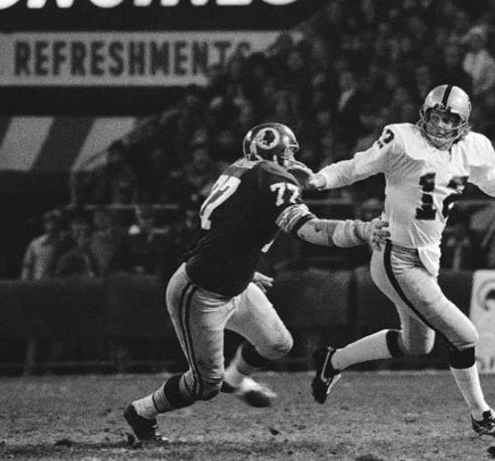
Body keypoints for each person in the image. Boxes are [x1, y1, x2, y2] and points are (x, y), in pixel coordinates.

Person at [303, 84, 495, 440]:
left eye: (450, 119)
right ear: (424, 115)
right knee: (464, 335)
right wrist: (318, 180)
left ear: (463, 124)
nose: (442, 126)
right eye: (436, 117)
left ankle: (331, 361)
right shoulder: (401, 139)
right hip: (395, 257)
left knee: (418, 345)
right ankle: (482, 415)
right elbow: (356, 167)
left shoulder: (474, 149)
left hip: (425, 261)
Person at [122, 123, 388, 444]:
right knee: (204, 385)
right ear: (272, 150)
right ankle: (142, 412)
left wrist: (245, 269)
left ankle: (236, 380)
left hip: (233, 280)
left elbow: (231, 226)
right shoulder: (273, 179)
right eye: (288, 152)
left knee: (277, 344)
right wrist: (361, 229)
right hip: (201, 291)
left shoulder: (242, 169)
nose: (292, 160)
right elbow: (310, 230)